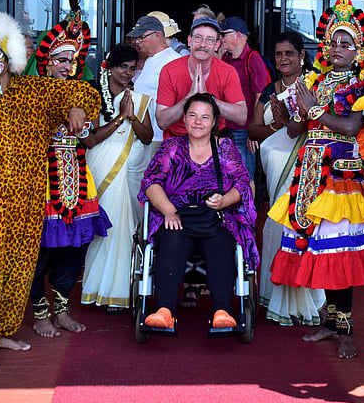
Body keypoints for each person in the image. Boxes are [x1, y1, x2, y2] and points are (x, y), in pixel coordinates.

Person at [0, 12, 101, 368]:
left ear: (10, 55)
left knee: (20, 267)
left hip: (29, 199)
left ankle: (2, 330)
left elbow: (79, 91)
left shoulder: (35, 90)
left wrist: (77, 106)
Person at [268, 0, 364, 359]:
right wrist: (282, 111)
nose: (337, 47)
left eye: (346, 42)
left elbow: (352, 126)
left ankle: (346, 331)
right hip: (310, 171)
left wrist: (314, 111)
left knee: (341, 252)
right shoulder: (313, 80)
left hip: (342, 177)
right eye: (333, 41)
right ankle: (327, 323)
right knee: (317, 250)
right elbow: (294, 128)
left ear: (358, 48)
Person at [139, 93, 257, 329]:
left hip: (216, 218)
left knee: (221, 245)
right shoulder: (172, 147)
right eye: (192, 116)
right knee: (171, 242)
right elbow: (150, 182)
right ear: (184, 118)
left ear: (214, 121)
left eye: (205, 117)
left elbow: (244, 183)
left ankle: (222, 311)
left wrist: (224, 201)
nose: (198, 122)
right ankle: (163, 311)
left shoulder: (224, 148)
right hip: (176, 217)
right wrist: (169, 211)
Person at [29, 1, 111, 338]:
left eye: (73, 59)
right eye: (61, 58)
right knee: (39, 252)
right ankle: (39, 312)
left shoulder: (85, 91)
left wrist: (77, 102)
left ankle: (61, 308)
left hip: (78, 179)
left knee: (74, 248)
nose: (68, 64)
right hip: (40, 180)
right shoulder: (29, 92)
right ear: (46, 61)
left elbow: (90, 118)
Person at [248, 31, 324, 326]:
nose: (283, 59)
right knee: (274, 227)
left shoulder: (313, 86)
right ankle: (272, 296)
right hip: (274, 167)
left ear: (302, 55)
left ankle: (308, 299)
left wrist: (287, 125)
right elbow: (253, 131)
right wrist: (276, 126)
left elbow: (299, 129)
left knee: (298, 226)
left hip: (305, 167)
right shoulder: (270, 90)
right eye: (279, 55)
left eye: (289, 54)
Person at [81, 45, 153, 314]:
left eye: (133, 68)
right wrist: (121, 116)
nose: (127, 72)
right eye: (123, 66)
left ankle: (122, 290)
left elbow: (146, 137)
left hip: (130, 171)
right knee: (105, 228)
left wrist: (132, 116)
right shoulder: (91, 97)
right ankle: (97, 288)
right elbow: (89, 140)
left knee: (125, 228)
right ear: (109, 67)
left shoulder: (139, 99)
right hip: (100, 168)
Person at [155, 16, 247, 140]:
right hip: (177, 140)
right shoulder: (169, 70)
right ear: (189, 41)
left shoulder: (227, 71)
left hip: (213, 139)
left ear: (217, 45)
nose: (203, 44)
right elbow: (162, 122)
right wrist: (188, 98)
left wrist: (209, 98)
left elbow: (241, 117)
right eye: (198, 38)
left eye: (210, 40)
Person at [220, 16, 271, 183]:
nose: (221, 38)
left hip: (243, 130)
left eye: (224, 34)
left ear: (238, 35)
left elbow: (260, 96)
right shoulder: (226, 59)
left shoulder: (253, 59)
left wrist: (252, 131)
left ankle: (248, 209)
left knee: (244, 177)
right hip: (226, 128)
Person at [130, 15, 182, 156]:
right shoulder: (150, 60)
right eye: (136, 38)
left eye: (142, 37)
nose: (137, 42)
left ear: (157, 35)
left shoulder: (173, 61)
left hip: (160, 138)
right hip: (145, 134)